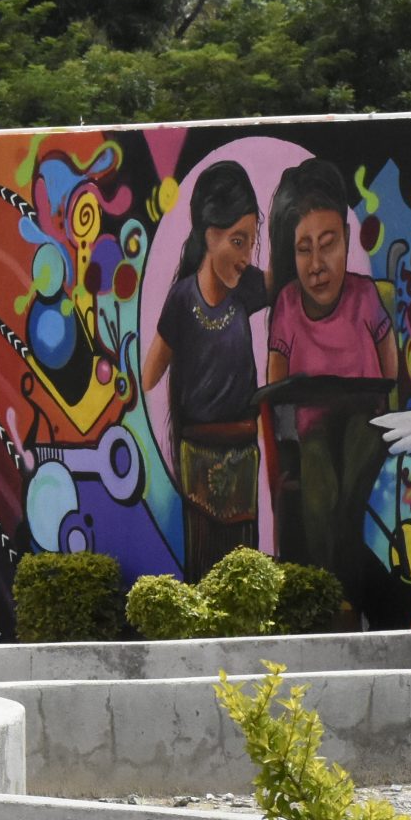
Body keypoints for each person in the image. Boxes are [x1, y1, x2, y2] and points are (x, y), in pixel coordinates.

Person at [264, 158, 394, 581]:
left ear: (347, 240)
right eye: (304, 249)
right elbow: (275, 384)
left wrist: (390, 404)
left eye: (328, 244)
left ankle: (351, 578)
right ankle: (326, 582)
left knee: (357, 471)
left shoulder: (365, 295)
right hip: (313, 425)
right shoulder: (287, 304)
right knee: (319, 481)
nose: (317, 264)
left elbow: (390, 364)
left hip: (365, 417)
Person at [141, 161, 267, 573]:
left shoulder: (247, 288)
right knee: (203, 561)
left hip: (244, 453)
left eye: (251, 243)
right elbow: (148, 376)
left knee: (244, 562)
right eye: (238, 241)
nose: (246, 256)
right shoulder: (182, 299)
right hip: (195, 454)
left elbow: (292, 282)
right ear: (210, 234)